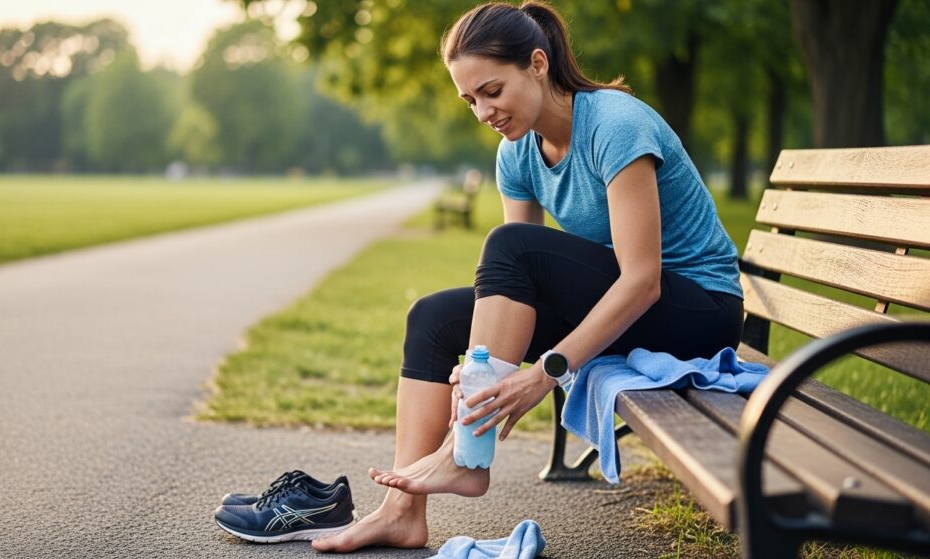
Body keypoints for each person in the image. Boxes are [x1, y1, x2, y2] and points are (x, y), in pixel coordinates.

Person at [312, 1, 743, 553]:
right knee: (433, 318)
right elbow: (515, 287)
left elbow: (643, 280)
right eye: (470, 100)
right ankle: (402, 513)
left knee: (510, 243)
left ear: (538, 64)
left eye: (491, 91)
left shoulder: (615, 126)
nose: (482, 112)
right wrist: (480, 365)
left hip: (699, 311)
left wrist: (543, 374)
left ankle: (466, 453)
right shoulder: (516, 154)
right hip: (632, 307)